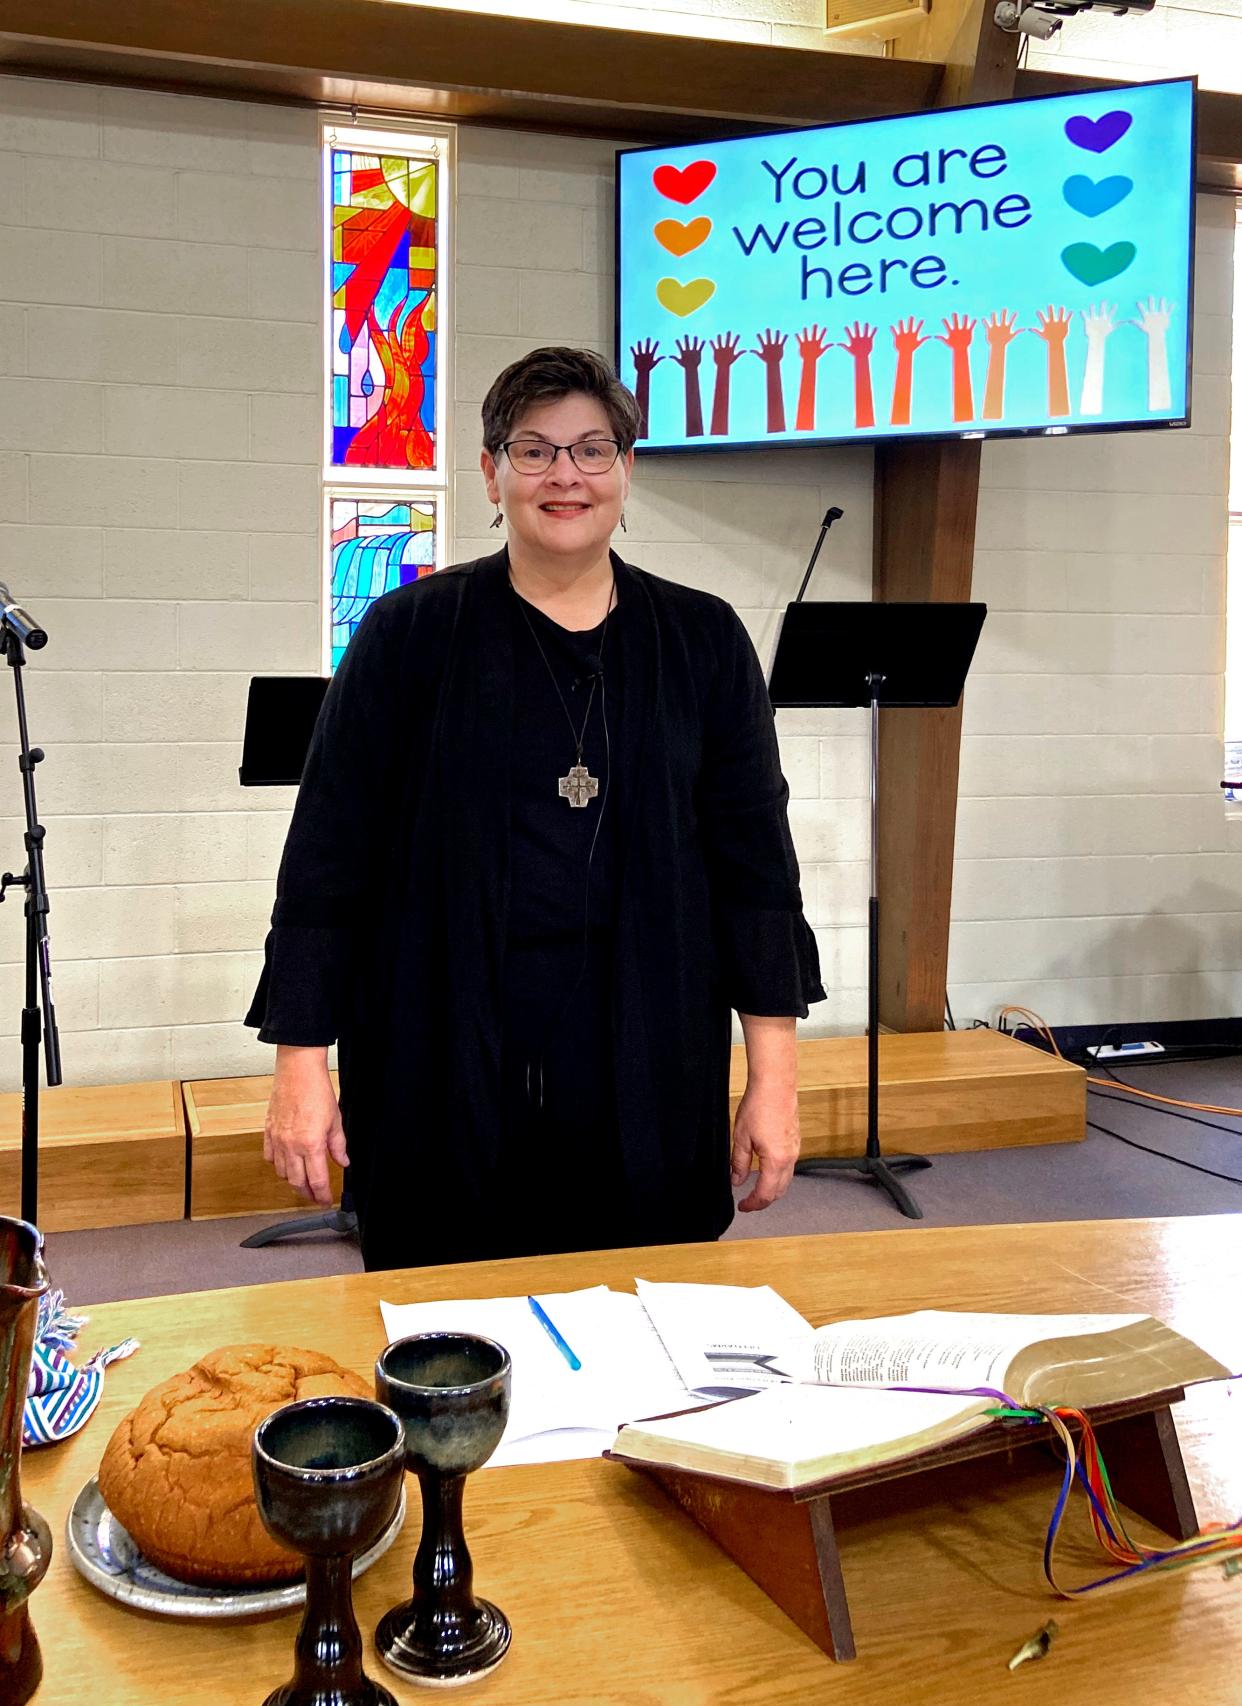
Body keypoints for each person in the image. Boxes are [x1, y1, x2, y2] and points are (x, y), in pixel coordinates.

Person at [246, 346, 824, 1272]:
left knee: (651, 1317)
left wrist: (774, 1083)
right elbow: (325, 863)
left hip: (648, 1048)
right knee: (446, 1333)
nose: (566, 475)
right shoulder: (408, 636)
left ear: (627, 472)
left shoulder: (703, 639)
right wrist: (300, 1065)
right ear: (491, 471)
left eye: (594, 450)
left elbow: (757, 876)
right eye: (534, 450)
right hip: (441, 1046)